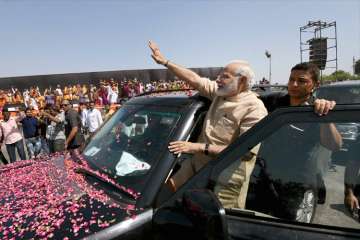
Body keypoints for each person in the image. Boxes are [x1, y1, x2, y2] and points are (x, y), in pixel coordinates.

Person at [149, 40, 268, 191]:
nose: (218, 80)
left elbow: (244, 152)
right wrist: (165, 62)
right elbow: (194, 79)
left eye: (225, 76)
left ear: (242, 81)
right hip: (197, 165)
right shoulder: (220, 93)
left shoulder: (254, 109)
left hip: (224, 180)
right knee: (164, 193)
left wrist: (197, 147)